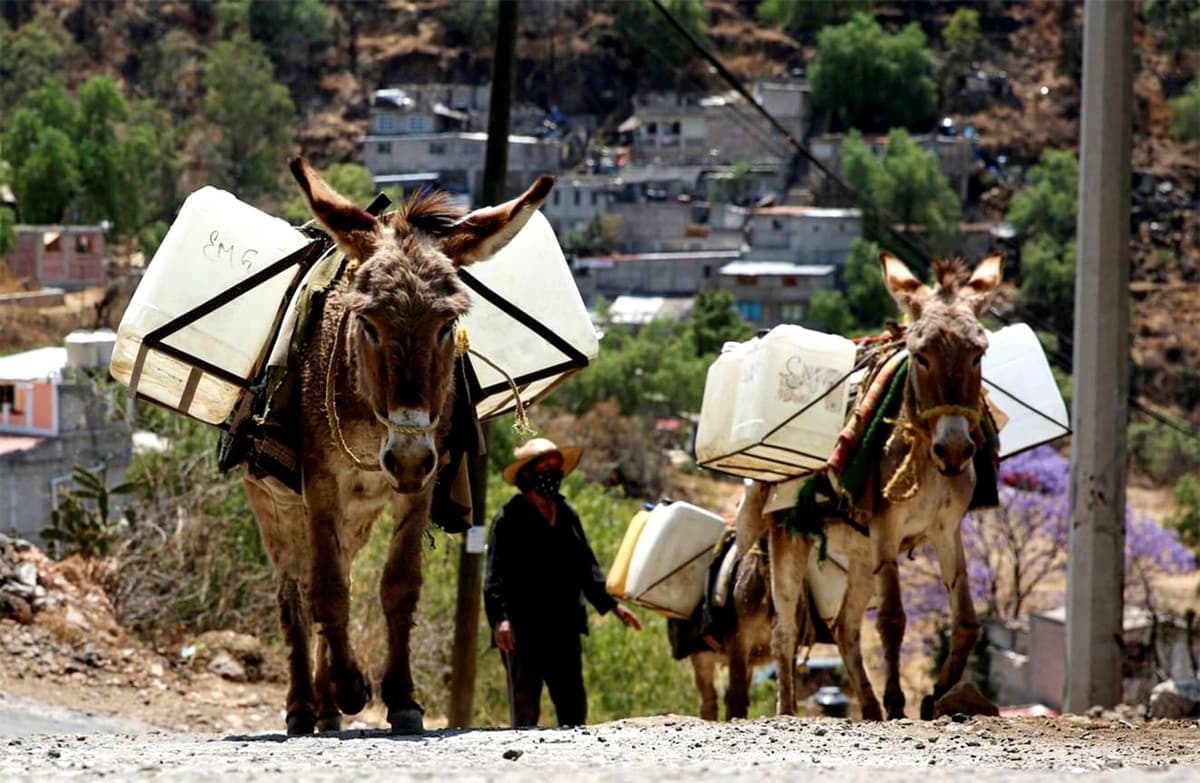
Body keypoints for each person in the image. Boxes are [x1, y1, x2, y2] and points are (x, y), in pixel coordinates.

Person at [484, 438, 642, 728]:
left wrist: (613, 607)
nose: (554, 474)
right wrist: (500, 620)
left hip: (564, 626)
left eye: (557, 468)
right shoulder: (509, 518)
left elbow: (587, 567)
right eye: (547, 467)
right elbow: (495, 575)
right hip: (523, 629)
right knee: (525, 708)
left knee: (573, 708)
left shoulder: (567, 514)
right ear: (528, 474)